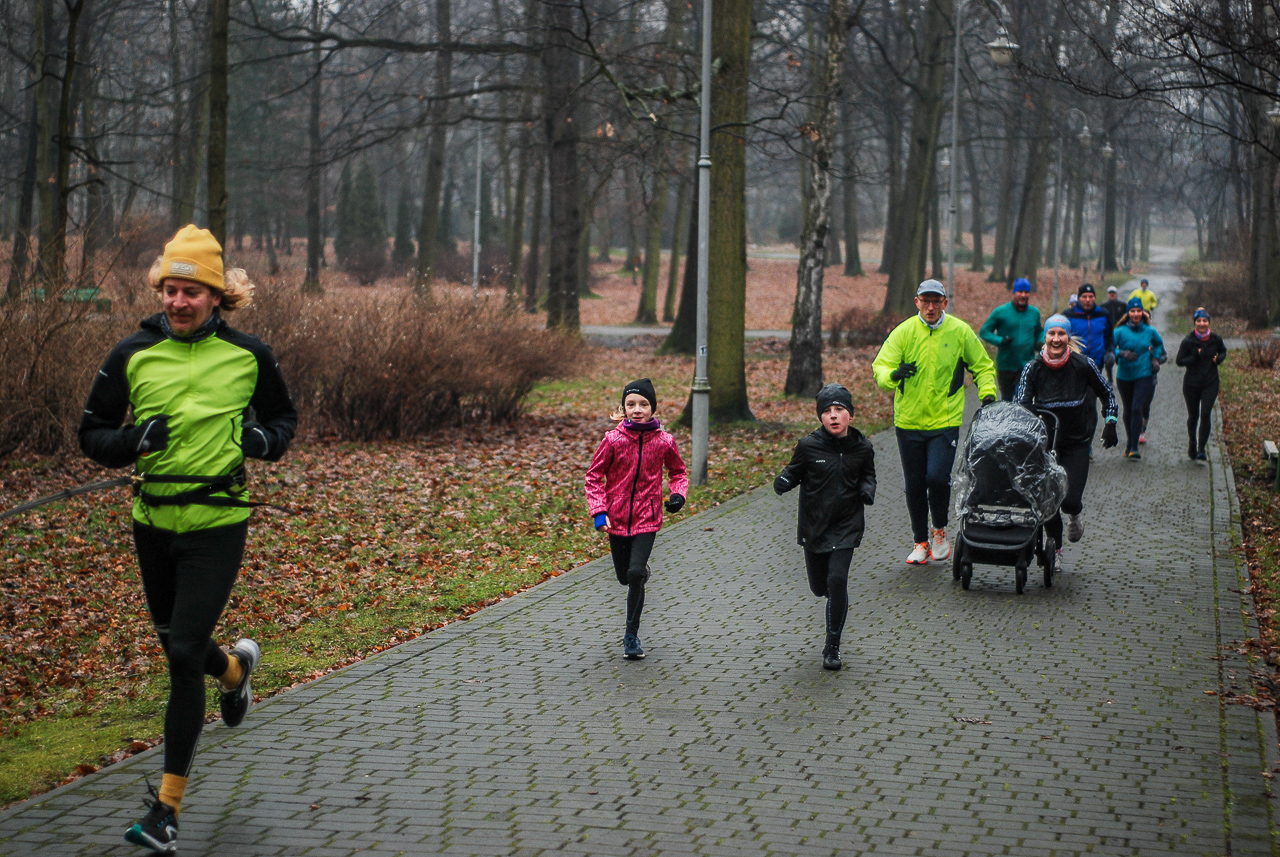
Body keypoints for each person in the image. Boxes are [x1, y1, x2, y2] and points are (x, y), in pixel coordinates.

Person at [78, 225, 297, 854]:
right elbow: (91, 432)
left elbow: (284, 420)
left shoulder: (249, 356)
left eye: (191, 292)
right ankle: (234, 671)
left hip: (218, 524)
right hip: (153, 525)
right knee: (180, 645)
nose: (178, 302)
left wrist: (265, 441)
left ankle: (165, 812)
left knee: (180, 654)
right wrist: (132, 442)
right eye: (170, 290)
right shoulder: (131, 355)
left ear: (216, 296)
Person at [872, 279, 998, 565]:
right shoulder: (904, 332)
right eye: (925, 301)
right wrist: (892, 375)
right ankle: (920, 542)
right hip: (908, 420)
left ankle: (939, 531)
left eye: (936, 301)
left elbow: (982, 365)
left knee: (937, 477)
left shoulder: (959, 331)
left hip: (945, 419)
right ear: (916, 302)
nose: (930, 307)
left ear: (944, 303)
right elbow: (881, 365)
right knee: (914, 484)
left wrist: (987, 393)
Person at [585, 378, 688, 661]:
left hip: (648, 517)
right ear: (623, 408)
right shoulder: (613, 440)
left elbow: (678, 472)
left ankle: (631, 636)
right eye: (631, 404)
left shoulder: (664, 441)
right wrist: (599, 512)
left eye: (643, 404)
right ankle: (639, 573)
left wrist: (678, 495)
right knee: (624, 576)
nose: (637, 409)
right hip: (616, 519)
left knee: (634, 574)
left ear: (653, 408)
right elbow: (593, 477)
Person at [774, 384, 876, 671]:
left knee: (837, 580)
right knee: (820, 588)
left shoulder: (862, 447)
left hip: (847, 525)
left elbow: (869, 475)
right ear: (820, 417)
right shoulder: (809, 446)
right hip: (815, 525)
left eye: (839, 410)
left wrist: (868, 490)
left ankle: (832, 646)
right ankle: (834, 602)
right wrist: (783, 482)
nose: (833, 416)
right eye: (827, 411)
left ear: (850, 415)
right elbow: (793, 472)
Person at [1015, 314, 1118, 567]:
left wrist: (1111, 421)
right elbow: (1021, 405)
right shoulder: (1033, 368)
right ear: (1045, 337)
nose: (1056, 339)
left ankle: (1075, 513)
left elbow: (1107, 393)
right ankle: (1056, 549)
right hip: (1044, 445)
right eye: (1052, 334)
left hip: (1076, 441)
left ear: (1068, 337)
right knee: (1048, 501)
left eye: (1061, 334)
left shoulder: (1084, 365)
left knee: (1069, 500)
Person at [1112, 297, 1166, 459]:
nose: (1136, 314)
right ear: (1128, 313)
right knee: (1128, 409)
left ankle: (1134, 446)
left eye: (1138, 311)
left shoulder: (1150, 331)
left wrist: (1155, 359)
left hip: (1144, 375)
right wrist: (1121, 353)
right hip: (1124, 376)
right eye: (1132, 311)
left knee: (1137, 408)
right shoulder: (1120, 331)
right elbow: (1108, 347)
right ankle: (1130, 441)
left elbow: (1159, 345)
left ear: (1142, 312)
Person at [1176, 307, 1228, 462]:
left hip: (1210, 382)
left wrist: (1218, 359)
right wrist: (1194, 357)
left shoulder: (1215, 339)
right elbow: (1179, 361)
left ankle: (1201, 449)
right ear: (1195, 323)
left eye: (1205, 321)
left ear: (1208, 323)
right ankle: (1192, 442)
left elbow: (1223, 351)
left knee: (1205, 413)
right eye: (1199, 321)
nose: (1202, 324)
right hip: (1191, 384)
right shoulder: (1189, 341)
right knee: (1193, 416)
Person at [978, 277, 1043, 401]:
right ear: (1014, 293)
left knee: (1023, 399)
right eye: (1020, 292)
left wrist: (1040, 341)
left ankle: (1021, 420)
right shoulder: (1001, 312)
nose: (1023, 295)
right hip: (1006, 364)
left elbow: (1039, 330)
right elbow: (985, 332)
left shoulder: (1034, 313)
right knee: (1006, 400)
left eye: (1026, 292)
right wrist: (1000, 341)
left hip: (1026, 364)